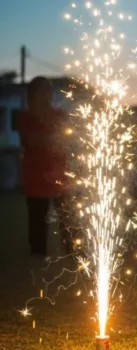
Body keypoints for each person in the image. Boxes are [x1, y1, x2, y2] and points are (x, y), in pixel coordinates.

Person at [17, 76, 73, 258]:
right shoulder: (26, 116)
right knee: (37, 215)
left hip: (59, 171)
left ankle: (71, 249)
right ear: (34, 93)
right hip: (36, 174)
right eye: (44, 89)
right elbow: (28, 140)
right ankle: (38, 251)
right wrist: (53, 139)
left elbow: (66, 138)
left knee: (67, 214)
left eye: (50, 89)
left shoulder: (60, 115)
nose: (48, 93)